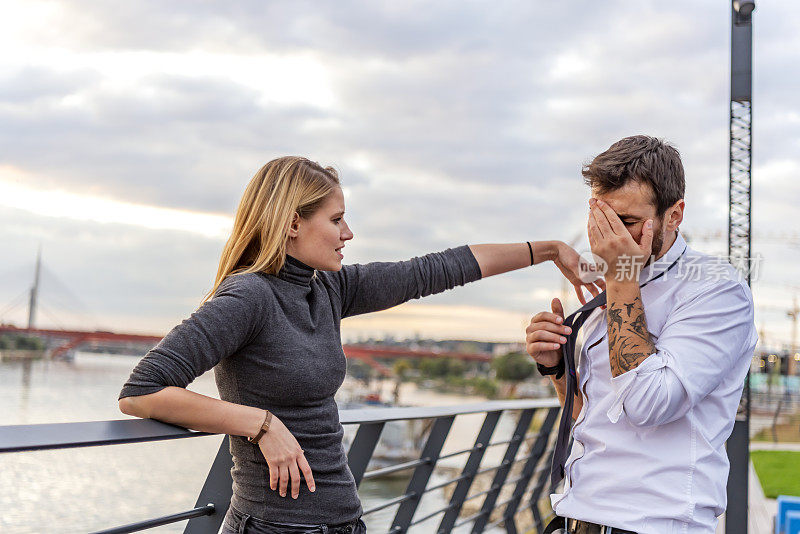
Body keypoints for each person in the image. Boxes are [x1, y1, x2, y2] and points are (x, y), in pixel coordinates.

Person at [118, 156, 600, 534]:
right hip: (276, 525)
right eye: (336, 219)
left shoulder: (327, 287)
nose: (348, 233)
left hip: (343, 521)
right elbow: (142, 390)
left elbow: (436, 269)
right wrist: (260, 424)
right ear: (292, 223)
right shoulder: (249, 296)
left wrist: (551, 250)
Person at [525, 136, 757, 534]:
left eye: (627, 224)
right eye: (603, 221)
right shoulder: (618, 285)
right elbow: (588, 415)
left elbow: (648, 404)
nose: (610, 240)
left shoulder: (717, 290)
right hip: (577, 517)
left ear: (675, 215)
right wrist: (556, 367)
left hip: (654, 524)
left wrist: (621, 279)